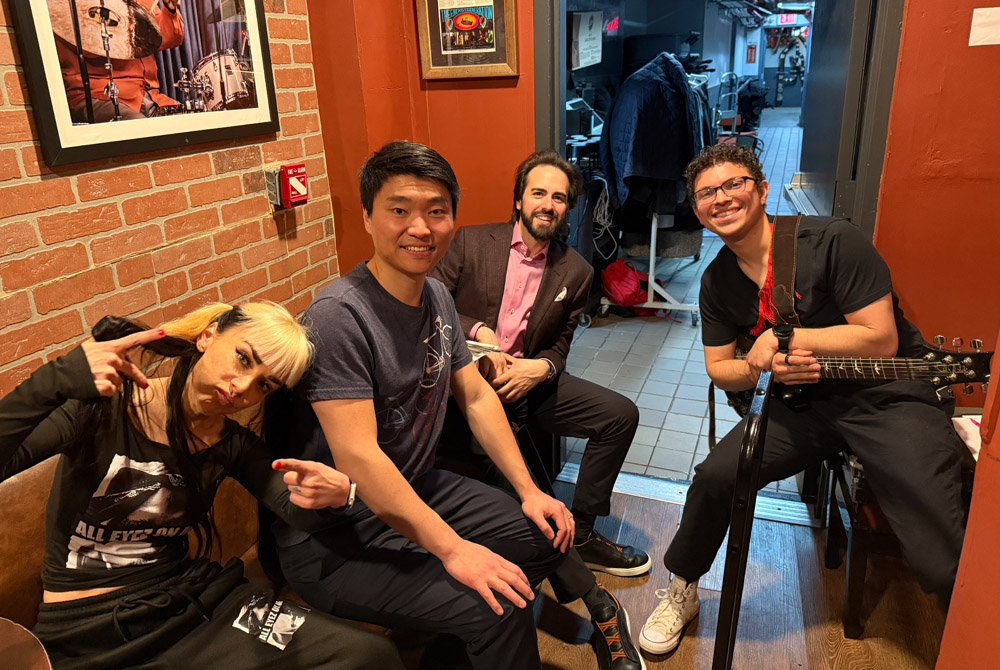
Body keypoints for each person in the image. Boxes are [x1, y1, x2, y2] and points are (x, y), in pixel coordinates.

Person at [268, 141, 644, 670]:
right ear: (368, 217)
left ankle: (454, 637)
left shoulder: (437, 297)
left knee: (547, 533)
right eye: (400, 210)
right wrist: (453, 550)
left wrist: (529, 491)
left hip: (419, 486)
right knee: (501, 606)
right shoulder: (338, 316)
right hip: (339, 532)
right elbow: (361, 459)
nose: (420, 228)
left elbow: (475, 394)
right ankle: (466, 625)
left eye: (436, 212)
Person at [638, 144, 968, 655]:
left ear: (762, 189)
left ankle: (971, 629)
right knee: (716, 476)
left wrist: (783, 339)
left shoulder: (833, 241)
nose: (721, 198)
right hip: (803, 406)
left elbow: (880, 337)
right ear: (697, 210)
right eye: (706, 193)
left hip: (884, 396)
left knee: (940, 549)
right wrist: (758, 365)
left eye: (734, 184)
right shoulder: (717, 280)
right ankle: (683, 587)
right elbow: (720, 368)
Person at [0, 301, 403, 669]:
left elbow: (296, 509)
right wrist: (56, 379)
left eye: (264, 385)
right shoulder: (102, 412)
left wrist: (338, 496)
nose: (242, 388)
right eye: (243, 359)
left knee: (367, 655)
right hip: (91, 632)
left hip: (197, 604)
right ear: (208, 336)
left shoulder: (232, 446)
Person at [431, 149, 650, 578]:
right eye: (538, 193)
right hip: (467, 384)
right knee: (508, 491)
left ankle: (582, 533)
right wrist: (480, 331)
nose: (547, 204)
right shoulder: (471, 242)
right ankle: (538, 547)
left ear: (568, 208)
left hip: (527, 384)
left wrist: (543, 369)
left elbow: (560, 345)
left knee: (620, 415)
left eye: (559, 197)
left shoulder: (577, 271)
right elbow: (433, 302)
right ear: (518, 199)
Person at [42, 0, 184, 122]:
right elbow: (85, 42)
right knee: (142, 130)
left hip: (149, 95)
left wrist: (169, 10)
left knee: (191, 126)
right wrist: (129, 29)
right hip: (100, 95)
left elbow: (167, 38)